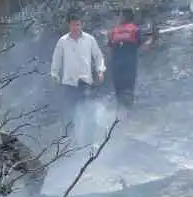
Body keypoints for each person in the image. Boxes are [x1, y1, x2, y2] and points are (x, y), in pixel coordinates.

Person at [49, 12, 105, 143]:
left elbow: (98, 56)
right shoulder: (63, 41)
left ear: (82, 25)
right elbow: (56, 59)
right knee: (69, 112)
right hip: (69, 83)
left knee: (88, 111)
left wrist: (100, 70)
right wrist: (54, 74)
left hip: (85, 81)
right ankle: (69, 142)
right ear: (69, 25)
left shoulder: (89, 39)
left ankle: (90, 141)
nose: (76, 28)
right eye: (74, 25)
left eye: (78, 25)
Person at [106, 8, 151, 108]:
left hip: (116, 66)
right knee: (128, 90)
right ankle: (128, 113)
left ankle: (120, 112)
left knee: (119, 91)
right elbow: (143, 46)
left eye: (120, 16)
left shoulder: (113, 31)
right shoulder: (135, 29)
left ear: (124, 17)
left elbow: (109, 49)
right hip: (130, 65)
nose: (118, 18)